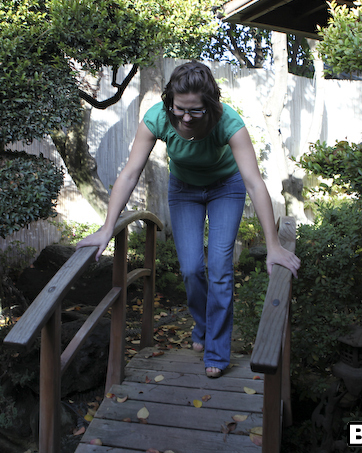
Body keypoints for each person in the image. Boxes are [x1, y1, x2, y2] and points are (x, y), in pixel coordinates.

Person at [77, 61, 300, 378]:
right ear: (170, 101)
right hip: (184, 190)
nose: (185, 117)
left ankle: (217, 350)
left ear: (210, 105)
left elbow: (253, 182)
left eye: (195, 111)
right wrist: (106, 228)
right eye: (179, 108)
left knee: (220, 267)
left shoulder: (228, 122)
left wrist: (273, 244)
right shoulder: (158, 118)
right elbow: (129, 174)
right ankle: (204, 324)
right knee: (191, 268)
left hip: (226, 188)